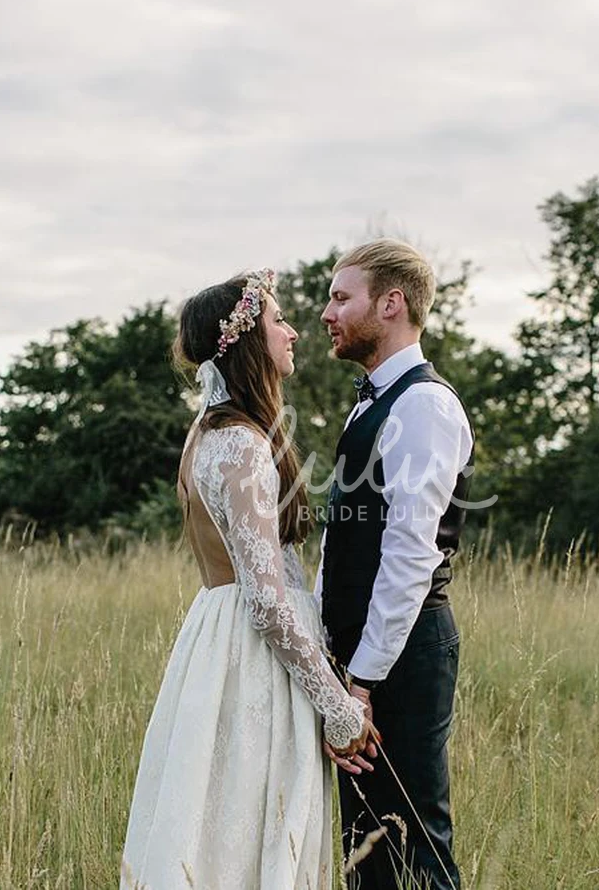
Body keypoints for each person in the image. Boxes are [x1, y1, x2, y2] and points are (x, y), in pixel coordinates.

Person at [121, 269, 370, 890]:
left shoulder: (207, 433)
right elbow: (268, 600)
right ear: (249, 343)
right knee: (248, 832)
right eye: (278, 321)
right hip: (251, 658)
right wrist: (338, 709)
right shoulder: (241, 443)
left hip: (214, 639)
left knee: (212, 828)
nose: (292, 332)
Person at [317, 239, 474, 890]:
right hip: (362, 655)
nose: (326, 312)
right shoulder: (373, 400)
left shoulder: (423, 405)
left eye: (339, 296)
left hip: (402, 658)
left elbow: (411, 554)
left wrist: (361, 682)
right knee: (368, 850)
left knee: (414, 845)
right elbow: (345, 541)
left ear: (391, 303)